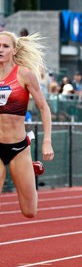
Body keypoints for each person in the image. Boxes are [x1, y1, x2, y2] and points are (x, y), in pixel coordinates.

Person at [0, 31, 54, 217]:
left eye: (5, 46)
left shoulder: (24, 75)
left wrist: (47, 141)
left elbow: (44, 108)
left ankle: (29, 168)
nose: (0, 49)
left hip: (19, 148)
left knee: (29, 211)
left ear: (14, 50)